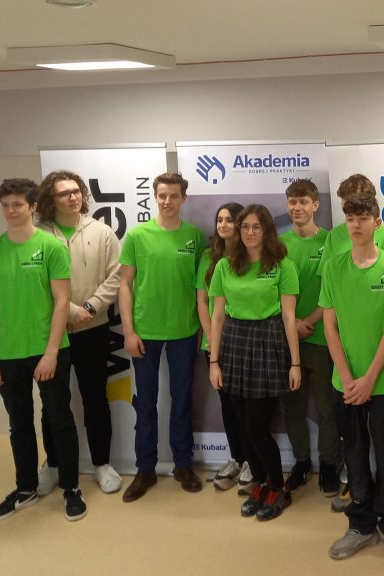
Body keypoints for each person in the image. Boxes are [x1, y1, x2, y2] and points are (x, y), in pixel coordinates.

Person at [0, 178, 85, 522]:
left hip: (49, 349)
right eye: (5, 205)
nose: (11, 211)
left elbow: (62, 300)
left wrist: (51, 352)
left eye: (17, 205)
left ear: (33, 206)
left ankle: (71, 488)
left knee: (59, 419)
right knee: (18, 424)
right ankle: (25, 488)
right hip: (8, 355)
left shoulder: (51, 248)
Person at [320, 193, 384, 568]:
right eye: (350, 218)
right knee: (355, 455)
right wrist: (348, 377)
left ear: (376, 223)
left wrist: (370, 377)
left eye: (362, 218)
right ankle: (361, 526)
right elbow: (330, 326)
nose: (356, 225)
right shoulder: (334, 267)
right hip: (345, 383)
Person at [208, 204, 302, 521]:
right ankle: (260, 483)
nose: (249, 232)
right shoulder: (225, 266)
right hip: (234, 342)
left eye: (256, 227)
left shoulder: (283, 265)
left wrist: (295, 364)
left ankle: (277, 487)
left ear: (267, 230)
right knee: (243, 428)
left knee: (257, 427)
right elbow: (217, 316)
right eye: (245, 226)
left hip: (268, 342)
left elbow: (289, 317)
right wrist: (214, 362)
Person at [33, 171, 123, 497]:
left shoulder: (102, 232)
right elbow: (39, 282)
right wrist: (72, 312)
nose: (73, 197)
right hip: (53, 332)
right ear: (50, 199)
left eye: (76, 191)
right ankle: (54, 464)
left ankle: (102, 463)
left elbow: (116, 276)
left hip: (94, 329)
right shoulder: (38, 235)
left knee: (95, 397)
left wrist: (90, 308)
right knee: (53, 403)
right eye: (64, 193)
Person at [119, 172, 205, 502]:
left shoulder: (194, 236)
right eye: (162, 195)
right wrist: (129, 331)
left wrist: (201, 330)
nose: (167, 201)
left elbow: (201, 289)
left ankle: (183, 464)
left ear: (184, 198)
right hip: (145, 332)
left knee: (182, 400)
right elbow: (124, 285)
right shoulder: (137, 236)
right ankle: (145, 469)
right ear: (155, 197)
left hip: (184, 331)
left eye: (173, 195)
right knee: (146, 403)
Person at [278, 179, 341, 497]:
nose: (297, 207)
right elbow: (271, 290)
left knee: (327, 407)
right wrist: (292, 325)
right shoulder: (278, 244)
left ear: (315, 205)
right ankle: (301, 463)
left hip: (320, 337)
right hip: (286, 339)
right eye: (292, 201)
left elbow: (334, 291)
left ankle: (329, 465)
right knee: (293, 406)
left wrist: (308, 321)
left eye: (303, 201)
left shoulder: (330, 241)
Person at [196, 202, 251, 493]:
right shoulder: (209, 257)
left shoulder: (251, 255)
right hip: (215, 345)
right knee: (228, 404)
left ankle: (252, 461)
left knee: (246, 405)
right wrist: (213, 341)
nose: (223, 225)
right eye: (219, 220)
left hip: (244, 343)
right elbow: (202, 302)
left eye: (230, 220)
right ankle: (237, 458)